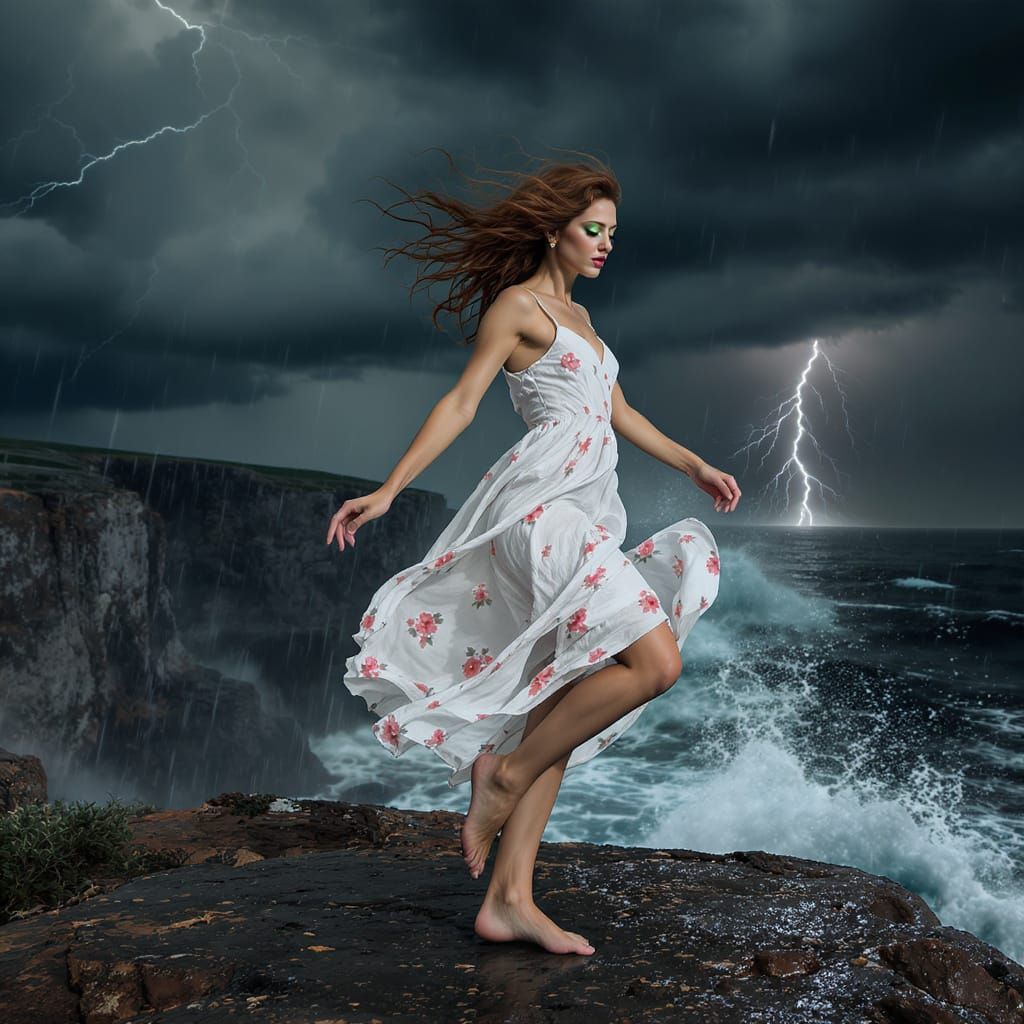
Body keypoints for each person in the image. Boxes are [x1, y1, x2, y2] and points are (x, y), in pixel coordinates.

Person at [327, 148, 741, 956]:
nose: (606, 243)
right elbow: (460, 402)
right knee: (655, 664)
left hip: (587, 513)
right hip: (541, 511)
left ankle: (509, 899)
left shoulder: (586, 324)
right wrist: (386, 489)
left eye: (614, 232)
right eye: (594, 228)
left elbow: (618, 410)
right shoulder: (517, 309)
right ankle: (504, 776)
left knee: (565, 694)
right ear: (555, 231)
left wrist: (692, 463)